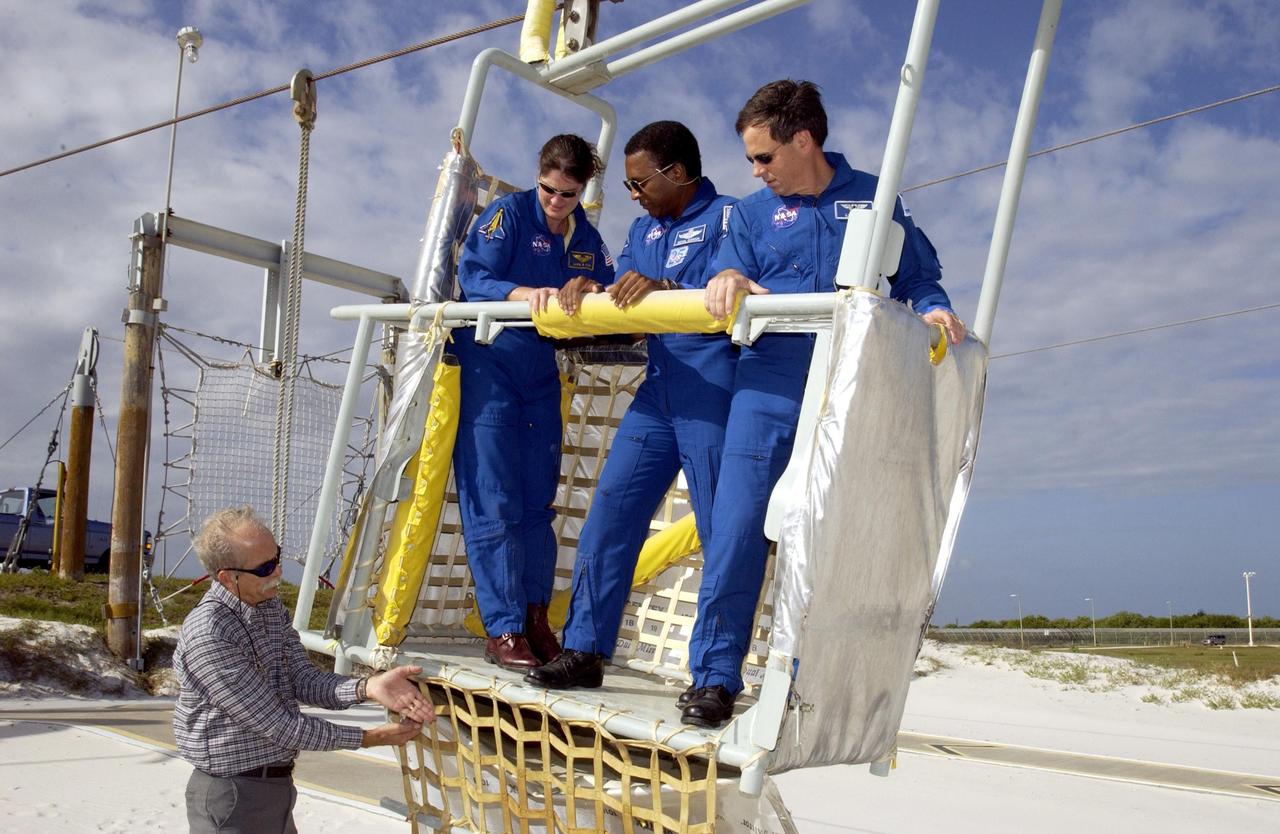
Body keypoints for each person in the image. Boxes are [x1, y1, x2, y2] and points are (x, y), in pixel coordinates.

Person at [686, 80, 967, 727]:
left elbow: (918, 277)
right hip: (767, 386)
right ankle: (714, 677)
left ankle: (809, 685)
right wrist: (726, 278)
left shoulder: (875, 195)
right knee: (734, 533)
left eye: (764, 158)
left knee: (834, 544)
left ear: (804, 140)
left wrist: (934, 308)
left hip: (850, 393)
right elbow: (724, 273)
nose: (755, 172)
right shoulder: (753, 215)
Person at [524, 122, 738, 698]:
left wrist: (664, 284)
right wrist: (584, 289)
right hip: (658, 391)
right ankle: (585, 650)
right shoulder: (642, 229)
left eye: (639, 183)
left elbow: (741, 289)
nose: (634, 195)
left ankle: (716, 678)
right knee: (609, 518)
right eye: (628, 185)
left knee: (724, 532)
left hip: (714, 393)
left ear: (677, 173)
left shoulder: (732, 220)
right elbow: (624, 295)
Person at [450, 134, 615, 671]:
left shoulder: (587, 239)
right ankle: (502, 629)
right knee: (492, 499)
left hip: (542, 376)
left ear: (583, 191)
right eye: (548, 189)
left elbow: (612, 290)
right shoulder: (507, 215)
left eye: (568, 194)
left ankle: (535, 617)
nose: (555, 202)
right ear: (538, 176)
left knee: (536, 506)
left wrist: (589, 285)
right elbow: (474, 278)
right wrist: (524, 295)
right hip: (490, 366)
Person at [173, 506, 436, 834]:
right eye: (266, 567)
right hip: (232, 795)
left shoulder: (268, 607)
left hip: (274, 788)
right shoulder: (210, 633)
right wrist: (369, 738)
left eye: (277, 557)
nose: (279, 572)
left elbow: (302, 679)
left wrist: (369, 687)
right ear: (228, 577)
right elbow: (280, 726)